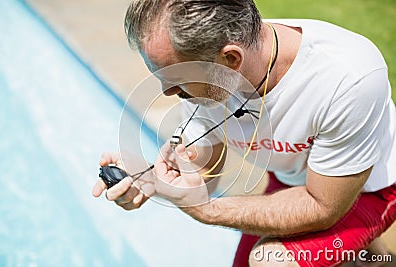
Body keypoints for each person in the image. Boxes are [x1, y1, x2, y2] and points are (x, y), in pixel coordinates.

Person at [92, 0, 396, 266]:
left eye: (176, 80)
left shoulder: (347, 79)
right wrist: (155, 181)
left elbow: (321, 205)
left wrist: (206, 211)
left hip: (368, 189)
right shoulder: (204, 72)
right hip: (294, 176)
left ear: (230, 60)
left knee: (268, 261)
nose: (169, 92)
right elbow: (203, 179)